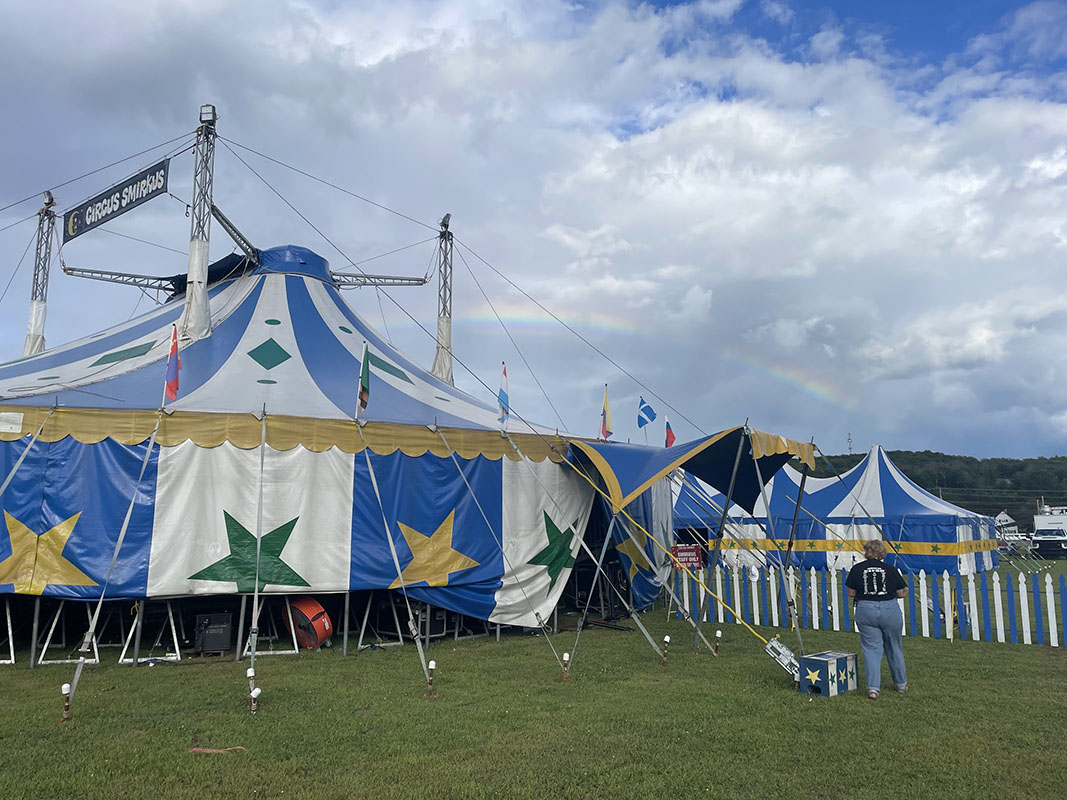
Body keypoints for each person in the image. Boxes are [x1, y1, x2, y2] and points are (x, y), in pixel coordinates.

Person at [845, 540, 907, 700]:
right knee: (894, 647)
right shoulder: (891, 569)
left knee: (871, 650)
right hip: (889, 609)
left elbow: (850, 592)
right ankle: (901, 684)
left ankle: (873, 689)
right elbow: (901, 593)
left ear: (866, 552)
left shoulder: (857, 569)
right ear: (882, 552)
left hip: (866, 609)